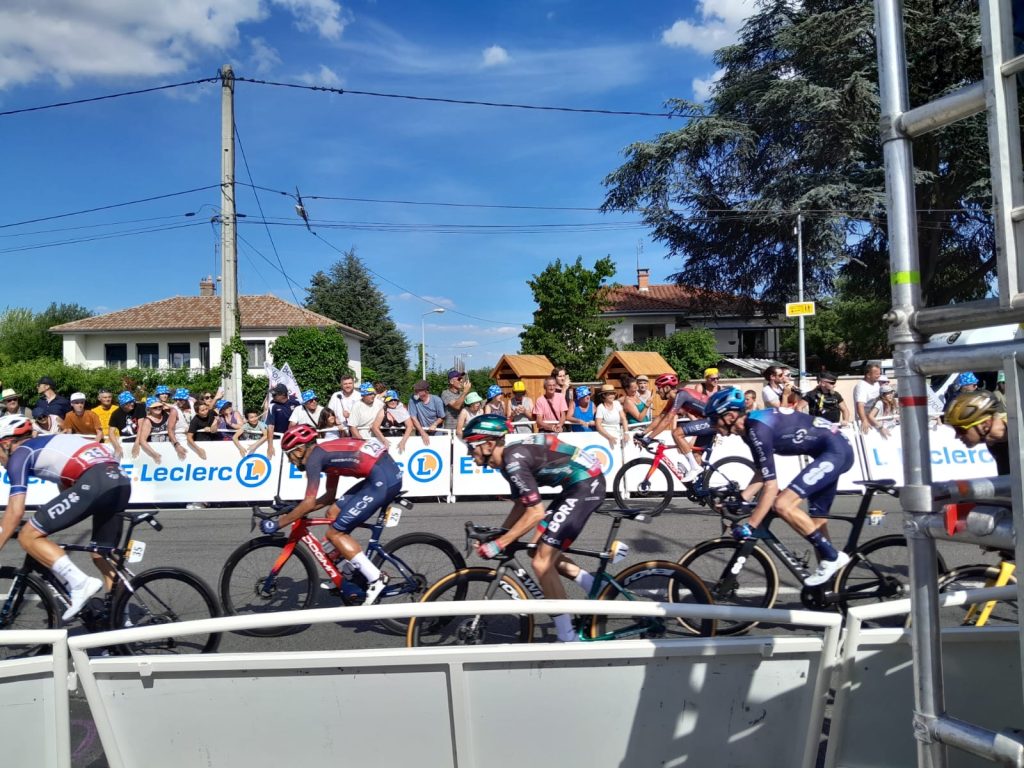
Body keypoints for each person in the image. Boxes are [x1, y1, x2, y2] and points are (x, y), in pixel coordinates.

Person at [463, 413, 605, 642]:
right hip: (574, 486)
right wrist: (499, 534)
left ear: (489, 444)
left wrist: (500, 543)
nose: (469, 453)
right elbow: (522, 503)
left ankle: (568, 636)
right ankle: (597, 589)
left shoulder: (513, 462)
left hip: (586, 485)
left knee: (541, 562)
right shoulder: (506, 462)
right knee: (534, 549)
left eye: (471, 447)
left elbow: (536, 512)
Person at [705, 387, 853, 586]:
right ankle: (830, 590)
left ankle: (832, 557)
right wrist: (741, 499)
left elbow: (771, 485)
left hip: (835, 452)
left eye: (714, 419)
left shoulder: (757, 429)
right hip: (829, 451)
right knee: (815, 524)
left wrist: (751, 526)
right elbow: (762, 471)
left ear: (730, 416)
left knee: (782, 505)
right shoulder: (749, 430)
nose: (712, 425)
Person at [0, 414, 130, 620]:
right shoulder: (50, 443)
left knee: (28, 535)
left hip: (96, 482)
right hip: (120, 482)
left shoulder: (20, 454)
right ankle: (121, 624)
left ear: (6, 443)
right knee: (101, 555)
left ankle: (80, 583)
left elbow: (15, 512)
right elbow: (67, 488)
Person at [263, 425, 401, 605]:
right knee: (332, 512)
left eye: (289, 455)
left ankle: (376, 578)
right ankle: (348, 571)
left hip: (382, 480)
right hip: (381, 474)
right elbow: (329, 497)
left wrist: (278, 523)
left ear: (298, 451)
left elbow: (309, 503)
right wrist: (296, 509)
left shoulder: (313, 459)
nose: (290, 461)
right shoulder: (323, 455)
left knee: (335, 533)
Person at [639, 373, 705, 481]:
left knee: (676, 433)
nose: (657, 391)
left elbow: (667, 420)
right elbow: (661, 416)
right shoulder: (674, 399)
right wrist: (643, 433)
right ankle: (700, 487)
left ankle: (695, 468)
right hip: (707, 421)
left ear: (666, 387)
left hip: (712, 421)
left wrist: (649, 438)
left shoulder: (681, 395)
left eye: (658, 388)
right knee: (696, 455)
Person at [944, 390, 1009, 475]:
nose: (957, 436)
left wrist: (1008, 430)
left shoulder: (1000, 432)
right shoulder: (992, 438)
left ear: (984, 423)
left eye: (961, 430)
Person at [108, 391, 146, 460]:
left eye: (132, 401)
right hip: (126, 442)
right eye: (129, 402)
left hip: (140, 439)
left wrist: (137, 443)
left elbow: (141, 426)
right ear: (123, 405)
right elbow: (111, 432)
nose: (132, 404)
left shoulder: (139, 407)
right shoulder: (115, 414)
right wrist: (117, 446)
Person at [134, 396, 172, 463]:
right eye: (154, 407)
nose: (158, 408)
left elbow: (176, 408)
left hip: (169, 447)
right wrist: (154, 454)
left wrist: (164, 404)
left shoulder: (166, 414)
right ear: (149, 409)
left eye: (160, 406)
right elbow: (142, 441)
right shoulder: (147, 421)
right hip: (155, 448)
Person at [407, 380, 445, 444]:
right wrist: (422, 433)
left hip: (437, 431)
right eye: (415, 390)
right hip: (421, 430)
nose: (415, 392)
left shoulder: (437, 400)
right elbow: (413, 418)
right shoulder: (412, 400)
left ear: (426, 391)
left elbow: (442, 417)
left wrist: (434, 424)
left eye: (418, 390)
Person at [595, 384, 628, 448]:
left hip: (618, 433)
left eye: (613, 393)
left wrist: (626, 433)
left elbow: (624, 418)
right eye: (609, 394)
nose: (612, 396)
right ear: (604, 395)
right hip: (605, 435)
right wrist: (609, 437)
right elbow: (598, 425)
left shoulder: (617, 404)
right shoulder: (600, 407)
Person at [853, 364, 883, 434]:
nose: (879, 376)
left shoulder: (876, 384)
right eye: (876, 374)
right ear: (868, 375)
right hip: (867, 424)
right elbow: (860, 406)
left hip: (876, 420)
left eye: (879, 374)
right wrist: (864, 421)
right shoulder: (861, 387)